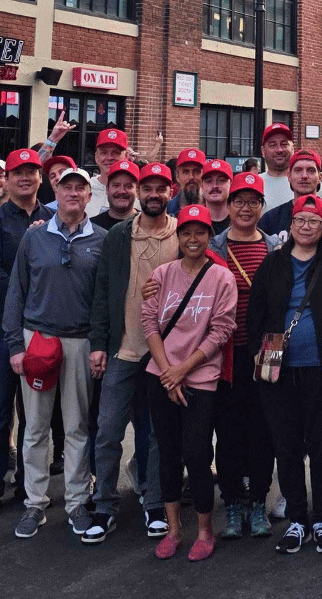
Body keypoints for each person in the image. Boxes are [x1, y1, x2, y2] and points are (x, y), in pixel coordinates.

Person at [4, 168, 105, 539]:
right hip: (38, 339)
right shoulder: (35, 238)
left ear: (89, 196)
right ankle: (35, 502)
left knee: (77, 426)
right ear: (56, 193)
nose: (74, 193)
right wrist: (16, 344)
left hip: (79, 342)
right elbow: (16, 291)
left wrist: (99, 346)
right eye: (67, 187)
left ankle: (77, 501)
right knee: (35, 427)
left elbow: (102, 301)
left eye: (81, 187)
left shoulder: (101, 240)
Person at [248, 193, 322, 555]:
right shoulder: (273, 264)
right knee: (286, 445)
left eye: (314, 222)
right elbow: (255, 315)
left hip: (320, 370)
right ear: (290, 226)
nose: (306, 227)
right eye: (300, 221)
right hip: (278, 372)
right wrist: (255, 354)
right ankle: (297, 518)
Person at [86, 162, 180, 544]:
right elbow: (103, 291)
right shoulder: (119, 235)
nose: (154, 194)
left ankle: (154, 502)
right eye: (148, 188)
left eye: (161, 188)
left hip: (166, 354)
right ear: (140, 193)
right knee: (107, 431)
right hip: (123, 348)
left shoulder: (184, 234)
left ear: (171, 192)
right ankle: (104, 503)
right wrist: (98, 344)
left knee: (157, 433)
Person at [143, 208, 238, 560]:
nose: (193, 240)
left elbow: (221, 330)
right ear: (178, 237)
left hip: (200, 376)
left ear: (208, 236)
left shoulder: (221, 278)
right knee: (167, 454)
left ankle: (204, 530)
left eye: (200, 233)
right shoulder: (162, 274)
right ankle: (173, 530)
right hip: (161, 375)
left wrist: (182, 370)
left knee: (197, 455)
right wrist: (168, 371)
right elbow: (149, 322)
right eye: (186, 233)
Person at [0, 149, 54, 520]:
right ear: (7, 179)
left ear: (40, 177)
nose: (24, 178)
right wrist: (29, 297)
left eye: (31, 172)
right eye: (17, 172)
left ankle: (26, 484)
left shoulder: (52, 219)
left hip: (39, 332)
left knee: (34, 415)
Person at [208, 173, 281, 539]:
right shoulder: (212, 247)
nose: (246, 207)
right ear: (229, 205)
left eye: (253, 201)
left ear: (261, 207)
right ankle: (233, 501)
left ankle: (258, 503)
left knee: (263, 431)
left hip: (266, 351)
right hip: (224, 353)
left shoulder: (275, 249)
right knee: (229, 430)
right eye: (239, 200)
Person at [257, 123, 322, 206]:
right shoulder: (255, 184)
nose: (279, 150)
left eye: (284, 144)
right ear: (263, 151)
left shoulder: (310, 183)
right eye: (272, 145)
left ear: (292, 148)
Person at [259, 149, 321, 237]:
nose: (304, 176)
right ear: (289, 176)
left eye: (311, 170)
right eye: (298, 170)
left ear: (320, 178)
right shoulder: (270, 219)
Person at [86, 128, 130, 217]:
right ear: (96, 157)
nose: (109, 157)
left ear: (126, 156)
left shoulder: (133, 193)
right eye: (104, 152)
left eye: (116, 152)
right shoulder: (85, 189)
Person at [167, 147, 206, 216]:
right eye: (186, 172)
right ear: (177, 176)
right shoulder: (166, 210)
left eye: (197, 171)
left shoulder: (213, 210)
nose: (191, 177)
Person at [200, 159, 235, 233]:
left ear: (231, 184)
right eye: (209, 181)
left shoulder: (241, 221)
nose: (214, 186)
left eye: (221, 180)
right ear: (202, 186)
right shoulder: (193, 222)